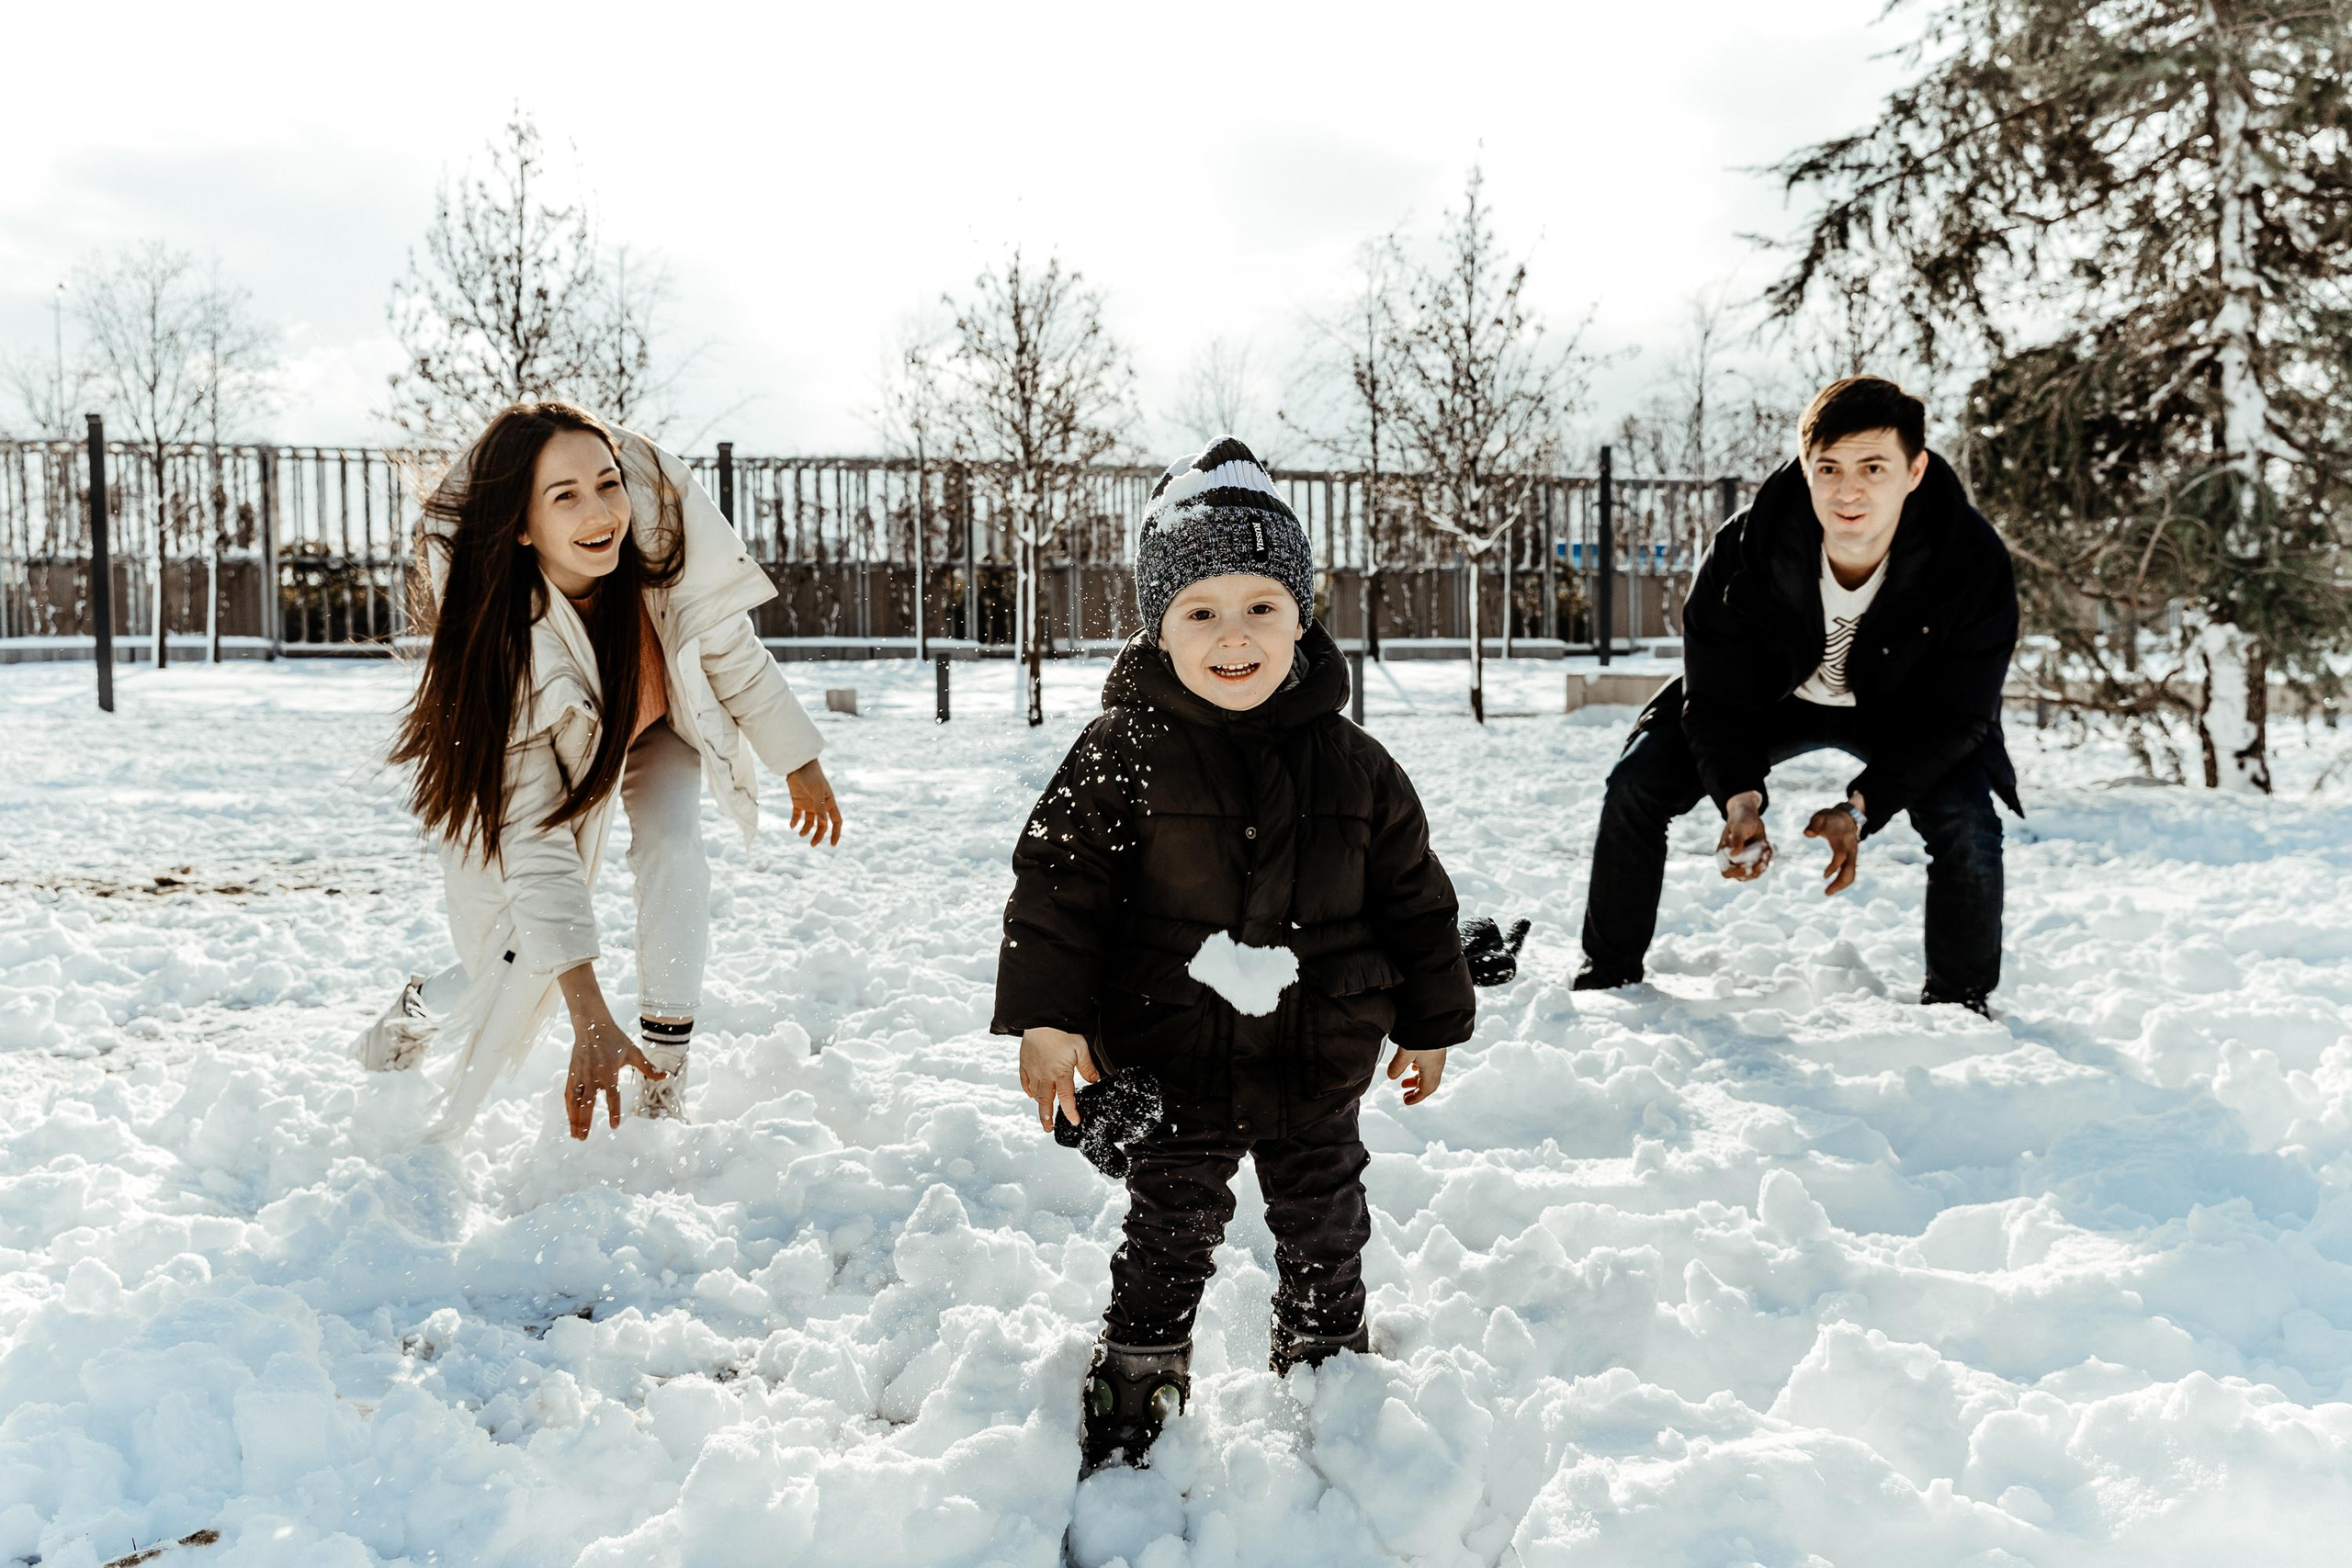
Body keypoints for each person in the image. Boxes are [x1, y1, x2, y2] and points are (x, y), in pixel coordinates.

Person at [992, 436, 1476, 1473]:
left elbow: (1414, 899)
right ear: (1158, 626)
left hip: (1317, 1050)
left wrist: (1434, 1020)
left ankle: (1323, 1341)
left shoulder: (1356, 764)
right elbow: (1058, 883)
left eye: (1261, 606)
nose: (1233, 637)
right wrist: (1046, 1012)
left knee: (1325, 1214)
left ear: (1301, 617)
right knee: (1170, 1221)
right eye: (1199, 611)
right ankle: (1142, 1357)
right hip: (1172, 1053)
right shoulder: (1118, 751)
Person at [354, 401, 842, 1140]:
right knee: (513, 959)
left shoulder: (659, 550)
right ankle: (417, 1009)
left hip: (654, 730)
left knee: (677, 852)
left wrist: (797, 760)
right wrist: (587, 1012)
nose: (599, 511)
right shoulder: (507, 651)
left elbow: (731, 653)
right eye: (565, 496)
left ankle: (664, 1079)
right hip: (554, 770)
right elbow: (536, 846)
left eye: (608, 483)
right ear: (521, 524)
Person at [1577, 376, 2021, 1011]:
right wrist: (1737, 797)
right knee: (1636, 781)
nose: (1849, 491)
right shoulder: (1745, 548)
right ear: (1806, 466)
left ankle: (1961, 1002)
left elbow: (1960, 717)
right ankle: (1609, 978)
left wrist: (1862, 808)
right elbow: (1714, 695)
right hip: (1770, 700)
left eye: (1874, 466)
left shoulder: (1969, 559)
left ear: (1915, 469)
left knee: (1968, 818)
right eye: (1829, 467)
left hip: (1902, 711)